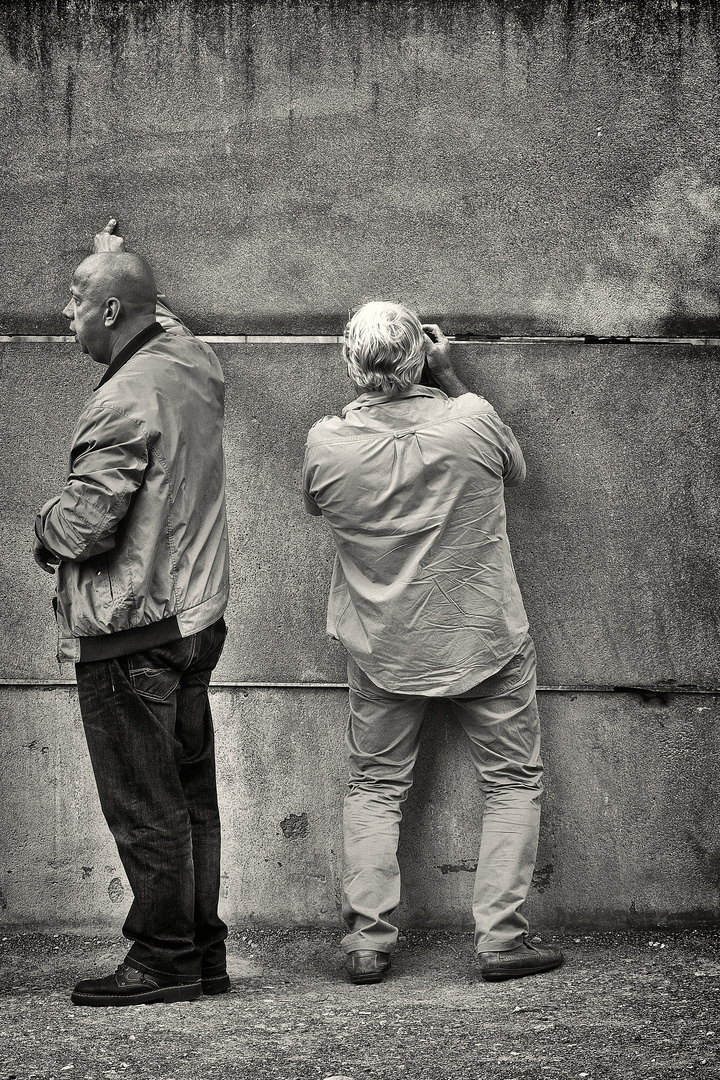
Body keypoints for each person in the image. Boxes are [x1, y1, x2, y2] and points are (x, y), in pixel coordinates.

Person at [302, 301, 563, 984]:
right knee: (511, 782)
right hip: (487, 640)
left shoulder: (326, 442)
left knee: (376, 785)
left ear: (349, 364)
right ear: (421, 356)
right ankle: (501, 941)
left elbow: (315, 503)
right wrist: (451, 377)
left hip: (382, 649)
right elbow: (518, 471)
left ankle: (367, 941)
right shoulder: (472, 419)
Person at [33, 220, 231, 1006]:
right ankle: (201, 954)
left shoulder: (119, 400)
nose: (64, 314)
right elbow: (160, 311)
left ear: (113, 313)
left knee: (146, 809)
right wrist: (111, 254)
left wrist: (41, 529)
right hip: (193, 620)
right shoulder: (191, 361)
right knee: (189, 802)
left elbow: (85, 525)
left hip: (131, 634)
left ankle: (162, 962)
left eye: (77, 299)